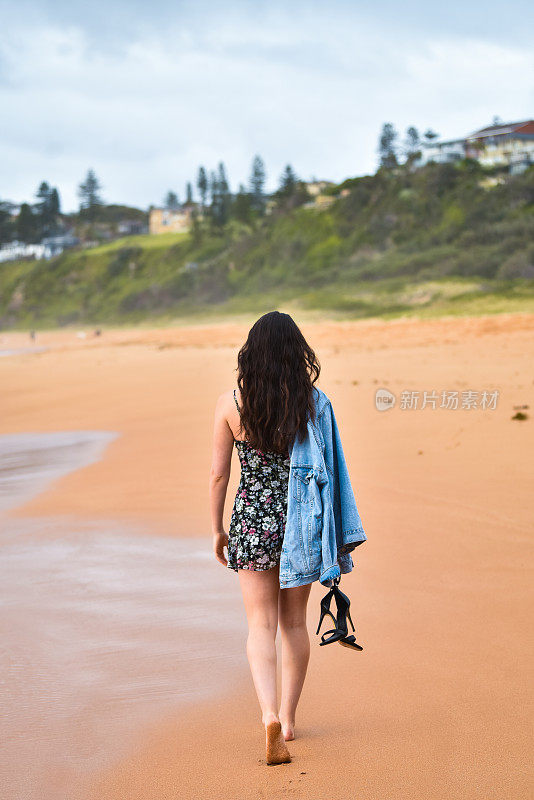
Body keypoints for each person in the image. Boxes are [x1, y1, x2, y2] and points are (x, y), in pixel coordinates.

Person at [209, 311, 322, 766]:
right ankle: (291, 721)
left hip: (253, 520)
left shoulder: (231, 403)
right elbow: (326, 468)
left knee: (260, 625)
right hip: (299, 521)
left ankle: (268, 715)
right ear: (297, 353)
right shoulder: (312, 403)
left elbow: (219, 474)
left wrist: (217, 528)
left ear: (250, 353)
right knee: (294, 624)